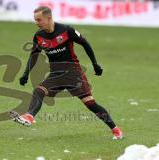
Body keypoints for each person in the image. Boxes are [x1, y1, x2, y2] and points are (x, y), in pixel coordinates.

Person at [10, 6, 123, 140]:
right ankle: (29, 116)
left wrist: (95, 64)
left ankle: (116, 130)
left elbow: (85, 44)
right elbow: (34, 55)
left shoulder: (66, 30)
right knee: (39, 91)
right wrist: (25, 74)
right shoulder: (39, 36)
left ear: (49, 18)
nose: (36, 23)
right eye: (35, 20)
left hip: (72, 72)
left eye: (39, 20)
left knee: (90, 103)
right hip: (56, 73)